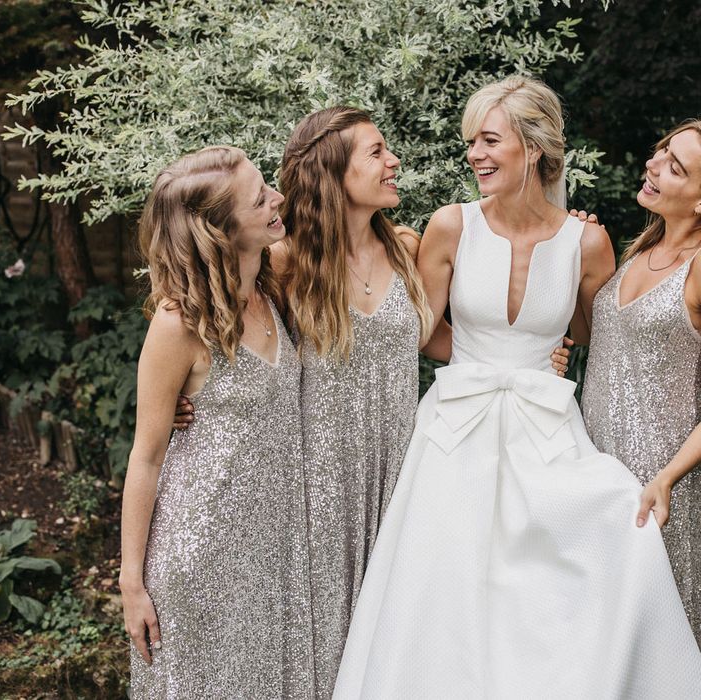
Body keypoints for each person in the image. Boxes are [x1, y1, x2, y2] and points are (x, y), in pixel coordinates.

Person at [333, 77, 701, 699]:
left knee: (545, 603)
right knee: (441, 595)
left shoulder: (590, 241)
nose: (473, 153)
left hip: (547, 434)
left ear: (532, 148)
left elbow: (596, 330)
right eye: (470, 141)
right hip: (452, 435)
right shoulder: (448, 227)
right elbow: (415, 330)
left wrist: (542, 358)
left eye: (489, 140)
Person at [120, 146, 314, 699]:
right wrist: (131, 582)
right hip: (200, 554)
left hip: (274, 550)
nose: (279, 199)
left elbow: (362, 250)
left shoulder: (274, 279)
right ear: (221, 231)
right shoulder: (178, 324)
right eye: (260, 199)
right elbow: (147, 456)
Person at [276, 106, 449, 699]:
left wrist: (528, 352)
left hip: (403, 471)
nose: (393, 161)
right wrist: (178, 402)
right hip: (315, 483)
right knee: (325, 639)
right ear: (332, 170)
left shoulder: (407, 246)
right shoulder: (285, 262)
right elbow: (224, 340)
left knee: (395, 640)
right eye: (376, 152)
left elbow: (444, 341)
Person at [577, 120, 701, 643]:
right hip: (594, 469)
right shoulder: (637, 251)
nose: (654, 166)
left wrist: (667, 478)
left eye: (676, 167)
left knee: (655, 642)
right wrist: (575, 248)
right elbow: (597, 339)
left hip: (656, 486)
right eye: (661, 153)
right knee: (597, 637)